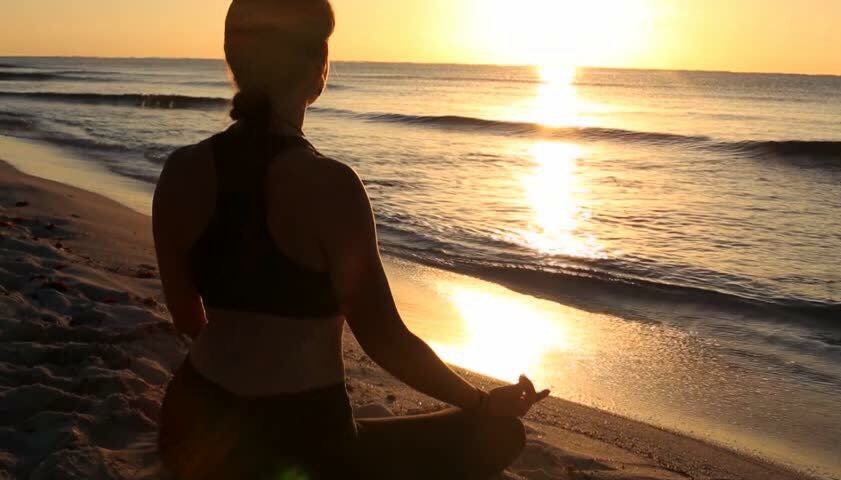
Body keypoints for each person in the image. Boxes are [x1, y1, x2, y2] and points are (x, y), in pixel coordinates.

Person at [153, 1, 549, 478]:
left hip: (188, 430)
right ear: (319, 67)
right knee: (500, 434)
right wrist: (482, 402)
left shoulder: (180, 171)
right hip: (303, 445)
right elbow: (385, 340)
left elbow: (187, 317)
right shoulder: (330, 185)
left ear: (233, 63)